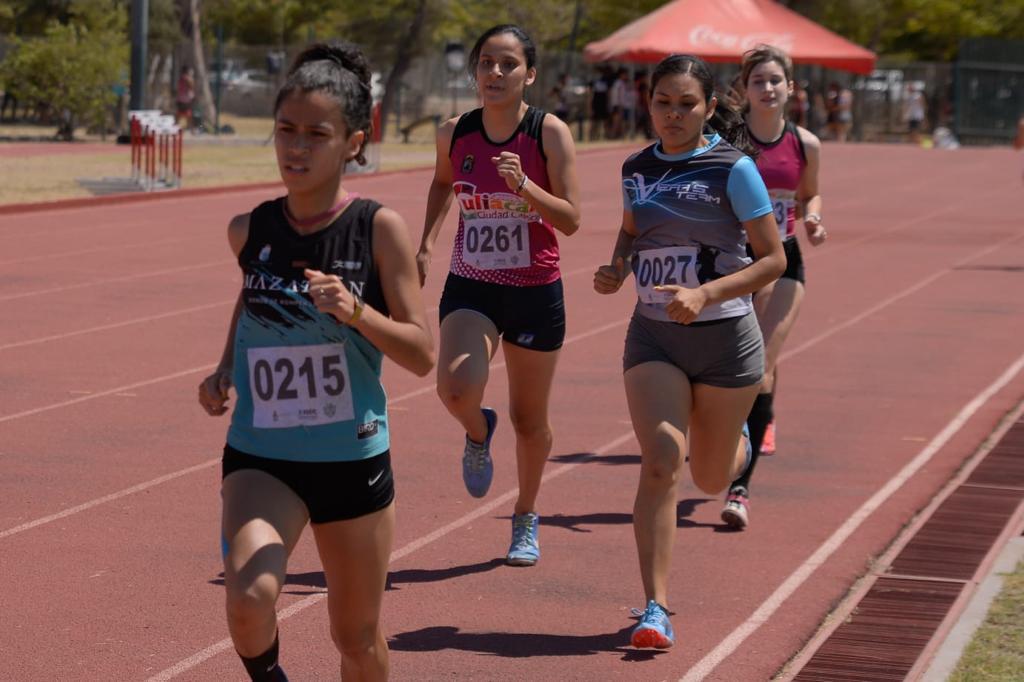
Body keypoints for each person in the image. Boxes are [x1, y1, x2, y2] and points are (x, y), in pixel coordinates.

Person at [197, 42, 434, 681]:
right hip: (261, 452)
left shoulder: (378, 229)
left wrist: (357, 312)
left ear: (354, 141)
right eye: (286, 131)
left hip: (349, 458)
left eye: (316, 134)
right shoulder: (249, 230)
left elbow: (422, 355)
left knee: (355, 639)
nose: (296, 148)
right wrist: (224, 368)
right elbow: (251, 299)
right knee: (248, 600)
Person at [593, 53, 784, 648]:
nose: (672, 115)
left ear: (707, 108)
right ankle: (657, 608)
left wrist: (705, 293)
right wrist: (617, 266)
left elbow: (773, 260)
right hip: (654, 335)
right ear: (647, 103)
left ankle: (738, 447)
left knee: (707, 476)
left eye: (686, 104)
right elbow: (632, 228)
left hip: (726, 340)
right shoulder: (635, 166)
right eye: (662, 103)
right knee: (660, 461)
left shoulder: (734, 169)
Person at [416, 24, 581, 567]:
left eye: (508, 64)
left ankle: (526, 516)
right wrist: (426, 243)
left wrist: (525, 188)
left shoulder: (548, 133)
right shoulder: (454, 132)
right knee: (456, 387)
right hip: (474, 282)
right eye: (486, 62)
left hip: (536, 287)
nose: (494, 73)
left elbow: (572, 219)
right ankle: (476, 429)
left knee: (530, 420)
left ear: (529, 74)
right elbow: (444, 182)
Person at [721, 45, 825, 529]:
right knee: (732, 367)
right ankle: (747, 420)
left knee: (760, 367)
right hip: (732, 264)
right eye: (758, 80)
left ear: (790, 88)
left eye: (775, 80)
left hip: (783, 262)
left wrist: (814, 217)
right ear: (745, 87)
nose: (767, 88)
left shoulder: (805, 143)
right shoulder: (727, 140)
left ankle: (739, 489)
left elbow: (809, 193)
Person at [176, 66, 196, 131]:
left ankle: (177, 127)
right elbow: (191, 86)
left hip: (180, 99)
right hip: (185, 100)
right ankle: (191, 129)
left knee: (179, 114)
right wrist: (191, 78)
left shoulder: (180, 78)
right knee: (189, 115)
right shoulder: (186, 78)